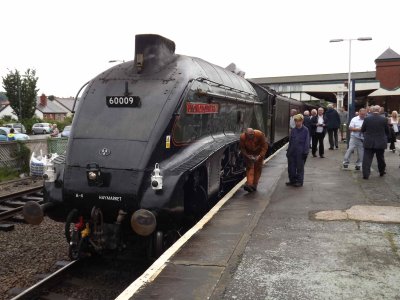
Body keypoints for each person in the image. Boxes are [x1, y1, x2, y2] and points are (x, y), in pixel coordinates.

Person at [361, 105, 389, 179]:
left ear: (372, 110)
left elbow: (363, 129)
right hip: (380, 142)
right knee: (380, 158)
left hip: (369, 141)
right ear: (379, 110)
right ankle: (381, 171)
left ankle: (366, 174)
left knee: (367, 158)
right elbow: (387, 131)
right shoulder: (384, 119)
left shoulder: (367, 119)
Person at [239, 128, 268, 192]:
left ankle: (254, 185)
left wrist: (260, 156)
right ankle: (249, 184)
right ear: (246, 134)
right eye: (249, 135)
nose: (251, 136)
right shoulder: (242, 137)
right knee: (250, 168)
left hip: (259, 153)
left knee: (258, 168)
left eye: (252, 135)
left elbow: (265, 147)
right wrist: (247, 156)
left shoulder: (260, 134)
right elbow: (242, 148)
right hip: (249, 154)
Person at [286, 114, 309, 187]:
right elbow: (290, 141)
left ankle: (299, 181)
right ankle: (292, 180)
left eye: (298, 121)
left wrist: (305, 152)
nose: (297, 123)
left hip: (300, 152)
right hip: (292, 152)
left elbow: (307, 142)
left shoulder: (305, 130)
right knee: (291, 168)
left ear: (302, 121)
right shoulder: (293, 130)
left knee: (300, 168)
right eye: (296, 121)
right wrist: (288, 151)